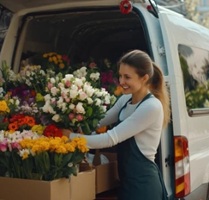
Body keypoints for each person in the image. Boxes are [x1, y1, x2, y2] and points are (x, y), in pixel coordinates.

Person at [62, 49, 170, 200]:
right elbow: (99, 122)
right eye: (120, 76)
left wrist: (70, 137)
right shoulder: (125, 100)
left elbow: (110, 138)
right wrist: (73, 119)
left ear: (144, 78)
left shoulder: (151, 106)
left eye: (127, 77)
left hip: (144, 186)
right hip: (126, 182)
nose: (121, 82)